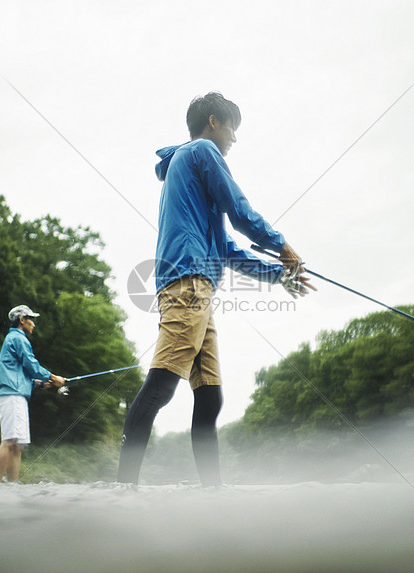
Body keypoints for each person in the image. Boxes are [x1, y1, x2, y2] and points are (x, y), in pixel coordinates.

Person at [117, 92, 315, 487]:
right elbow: (240, 210)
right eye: (232, 129)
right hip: (187, 284)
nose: (234, 139)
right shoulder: (203, 151)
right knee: (161, 385)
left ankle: (213, 495)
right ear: (213, 122)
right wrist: (282, 245)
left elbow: (225, 247)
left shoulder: (187, 169)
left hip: (198, 287)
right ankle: (122, 490)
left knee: (210, 396)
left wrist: (279, 275)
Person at [0, 304, 66, 482]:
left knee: (18, 446)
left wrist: (40, 384)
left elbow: (19, 372)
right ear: (21, 320)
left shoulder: (15, 339)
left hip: (18, 394)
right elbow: (30, 364)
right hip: (12, 394)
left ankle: (12, 488)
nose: (33, 324)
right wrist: (53, 377)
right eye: (31, 319)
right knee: (9, 441)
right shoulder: (18, 338)